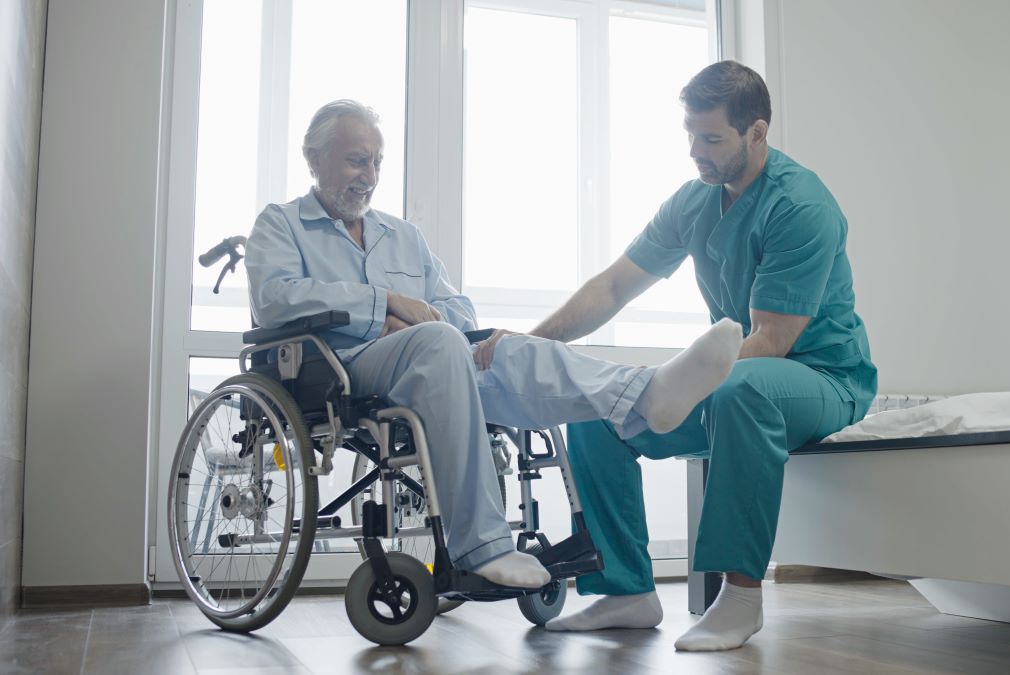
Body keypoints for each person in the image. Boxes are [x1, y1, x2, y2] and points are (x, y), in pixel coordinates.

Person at [244, 99, 744, 592]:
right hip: (341, 370)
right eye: (357, 159)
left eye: (377, 161)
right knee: (438, 342)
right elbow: (275, 299)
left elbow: (456, 309)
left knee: (510, 348)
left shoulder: (402, 236)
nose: (370, 175)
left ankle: (646, 394)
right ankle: (484, 546)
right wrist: (386, 308)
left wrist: (430, 324)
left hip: (433, 363)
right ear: (314, 158)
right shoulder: (281, 224)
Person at [477, 61, 877, 650]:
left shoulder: (801, 206)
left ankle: (739, 597)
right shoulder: (695, 200)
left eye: (712, 139)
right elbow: (613, 286)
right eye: (690, 134)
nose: (696, 150)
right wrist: (533, 341)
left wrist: (676, 386)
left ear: (757, 132)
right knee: (598, 408)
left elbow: (772, 342)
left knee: (745, 389)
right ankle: (625, 591)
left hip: (822, 378)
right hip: (741, 371)